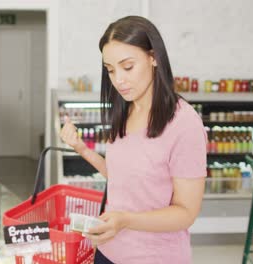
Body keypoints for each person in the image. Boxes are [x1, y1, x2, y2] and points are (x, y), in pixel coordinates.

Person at [60, 16, 207, 264]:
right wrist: (81, 149)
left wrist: (126, 220)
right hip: (108, 249)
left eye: (127, 67)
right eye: (110, 70)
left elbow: (186, 213)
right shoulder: (126, 110)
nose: (118, 80)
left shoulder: (184, 124)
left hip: (154, 256)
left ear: (153, 58)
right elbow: (122, 177)